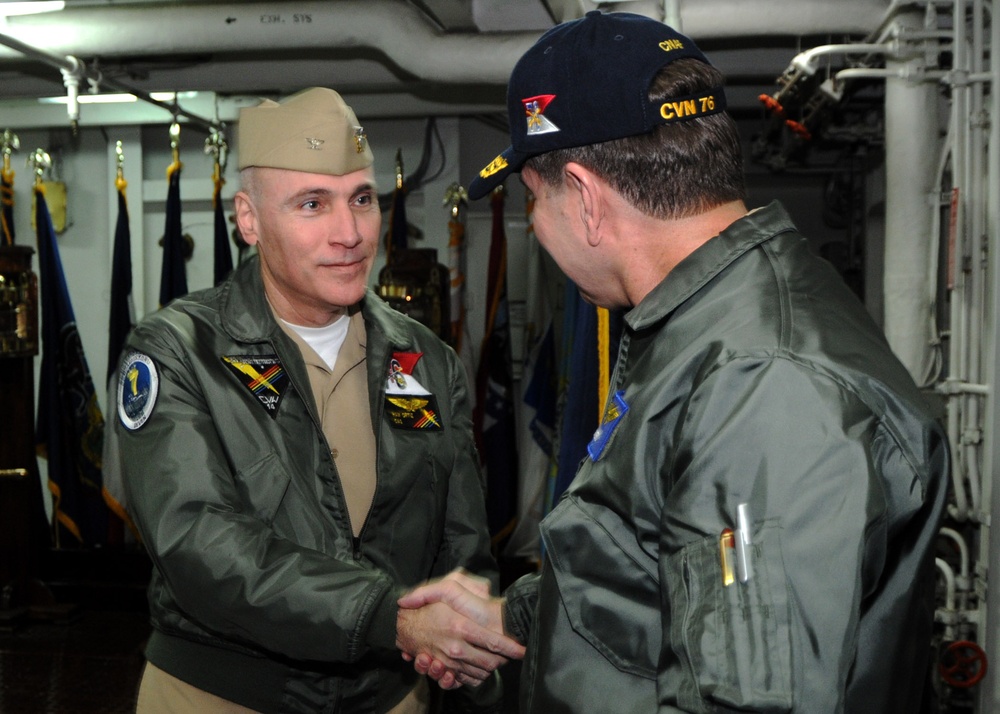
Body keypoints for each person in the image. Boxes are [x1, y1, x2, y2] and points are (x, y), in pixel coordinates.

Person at [398, 11, 949, 713]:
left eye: (533, 202)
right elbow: (654, 562)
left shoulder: (760, 384)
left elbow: (749, 701)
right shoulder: (705, 327)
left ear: (588, 200)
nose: (535, 228)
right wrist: (510, 618)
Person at [109, 87, 523, 714]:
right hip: (224, 696)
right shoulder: (179, 350)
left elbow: (462, 544)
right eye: (312, 204)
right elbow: (200, 544)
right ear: (249, 220)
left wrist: (467, 656)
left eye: (362, 199)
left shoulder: (424, 359)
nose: (351, 233)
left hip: (391, 693)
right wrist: (390, 618)